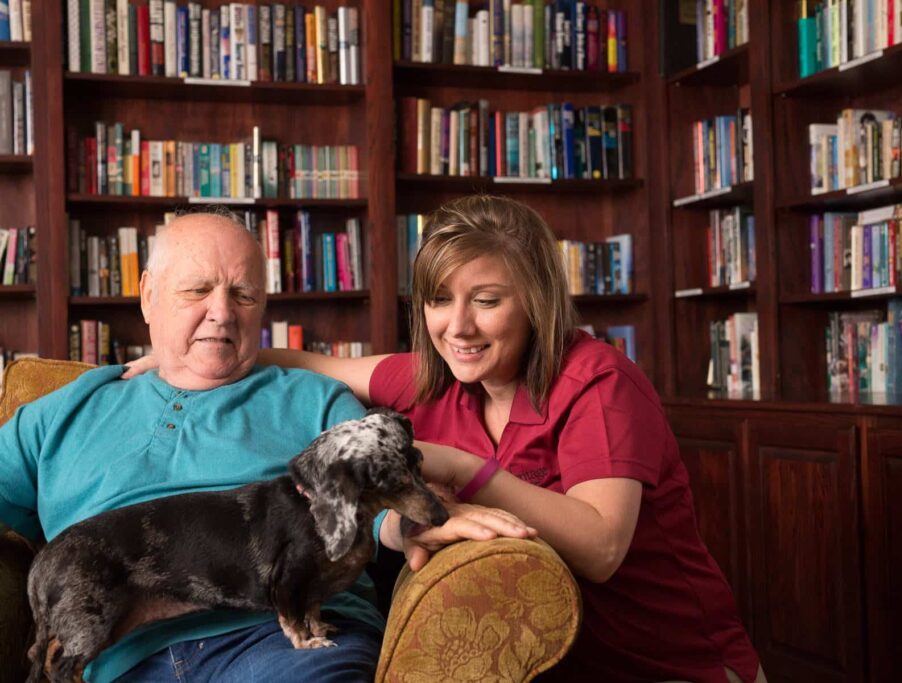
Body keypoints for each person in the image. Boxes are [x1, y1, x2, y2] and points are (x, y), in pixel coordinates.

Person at [131, 195, 764, 682]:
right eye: (438, 299)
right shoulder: (432, 378)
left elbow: (601, 547)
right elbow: (307, 363)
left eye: (486, 300)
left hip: (674, 665)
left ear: (536, 302)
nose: (456, 326)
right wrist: (183, 352)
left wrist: (461, 467)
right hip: (549, 666)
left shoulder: (597, 379)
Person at [0, 211, 531, 683]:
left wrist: (420, 521)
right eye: (196, 290)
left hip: (281, 642)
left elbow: (370, 507)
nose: (222, 312)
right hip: (121, 653)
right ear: (148, 296)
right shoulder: (62, 411)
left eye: (244, 294)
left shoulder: (316, 400)